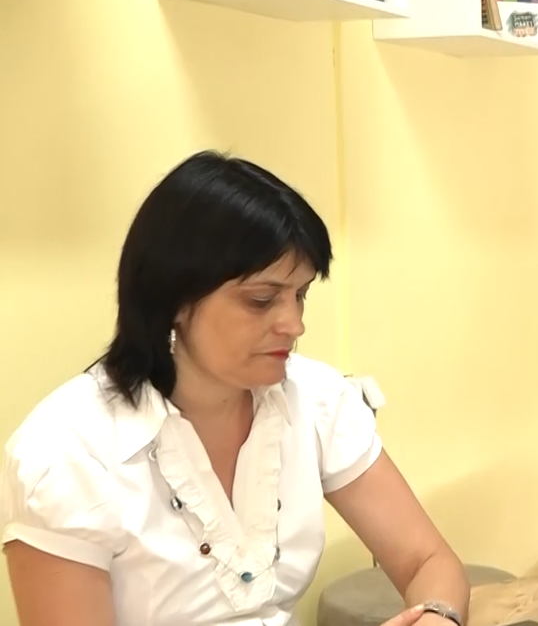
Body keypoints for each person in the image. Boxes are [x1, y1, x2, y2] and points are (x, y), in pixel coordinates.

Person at [0, 151, 469, 626]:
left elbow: (428, 561)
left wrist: (437, 618)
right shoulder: (66, 452)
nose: (294, 324)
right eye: (261, 300)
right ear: (173, 299)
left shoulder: (316, 398)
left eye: (300, 295)